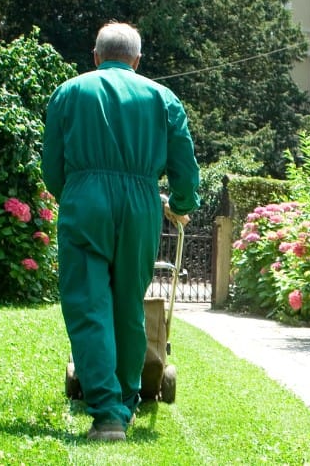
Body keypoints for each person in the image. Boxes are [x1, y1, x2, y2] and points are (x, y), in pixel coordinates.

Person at [41, 22, 200, 442]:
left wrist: (75, 194)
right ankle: (128, 398)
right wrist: (181, 205)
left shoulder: (69, 92)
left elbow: (52, 168)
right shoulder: (162, 97)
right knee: (129, 303)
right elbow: (185, 169)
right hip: (140, 204)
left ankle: (107, 411)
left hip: (84, 201)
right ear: (138, 60)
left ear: (95, 56)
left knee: (88, 304)